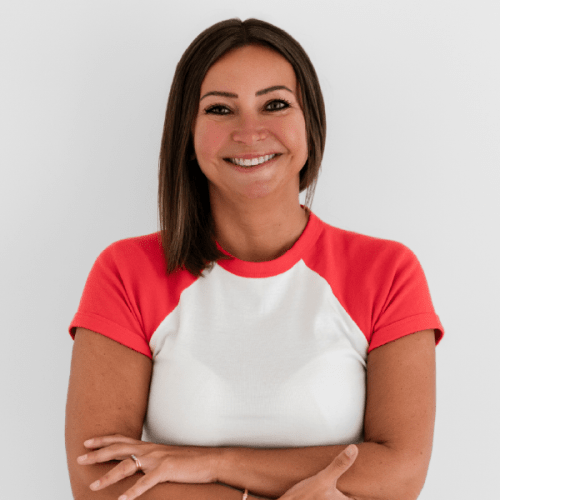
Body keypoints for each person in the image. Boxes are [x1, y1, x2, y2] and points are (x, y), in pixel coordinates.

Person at [65, 18, 443, 500]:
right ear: (188, 131)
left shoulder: (388, 272)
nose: (250, 131)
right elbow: (100, 484)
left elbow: (399, 472)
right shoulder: (125, 272)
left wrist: (210, 464)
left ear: (311, 124)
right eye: (220, 109)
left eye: (276, 104)